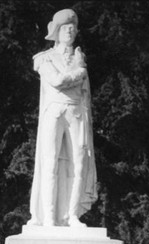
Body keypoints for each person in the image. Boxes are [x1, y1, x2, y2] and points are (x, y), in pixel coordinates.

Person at [28, 8, 97, 227]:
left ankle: (72, 215)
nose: (70, 31)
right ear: (56, 31)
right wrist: (79, 72)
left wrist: (78, 69)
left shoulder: (80, 58)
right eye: (65, 27)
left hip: (76, 112)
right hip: (54, 112)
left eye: (73, 28)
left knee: (79, 165)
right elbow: (56, 81)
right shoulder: (44, 58)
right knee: (50, 164)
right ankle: (48, 217)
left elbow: (79, 89)